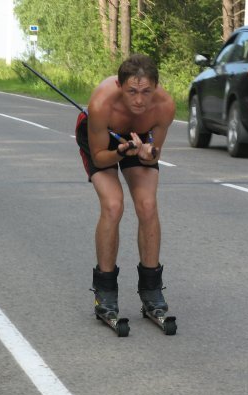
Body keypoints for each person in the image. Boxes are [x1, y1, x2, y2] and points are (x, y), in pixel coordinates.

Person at [75, 54, 176, 320]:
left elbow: (155, 154)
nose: (139, 100)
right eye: (132, 91)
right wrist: (122, 152)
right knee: (113, 205)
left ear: (155, 87)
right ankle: (105, 290)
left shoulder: (164, 107)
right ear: (120, 87)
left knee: (147, 205)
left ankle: (152, 290)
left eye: (146, 91)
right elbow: (99, 157)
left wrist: (147, 154)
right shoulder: (101, 104)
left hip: (138, 139)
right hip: (103, 141)